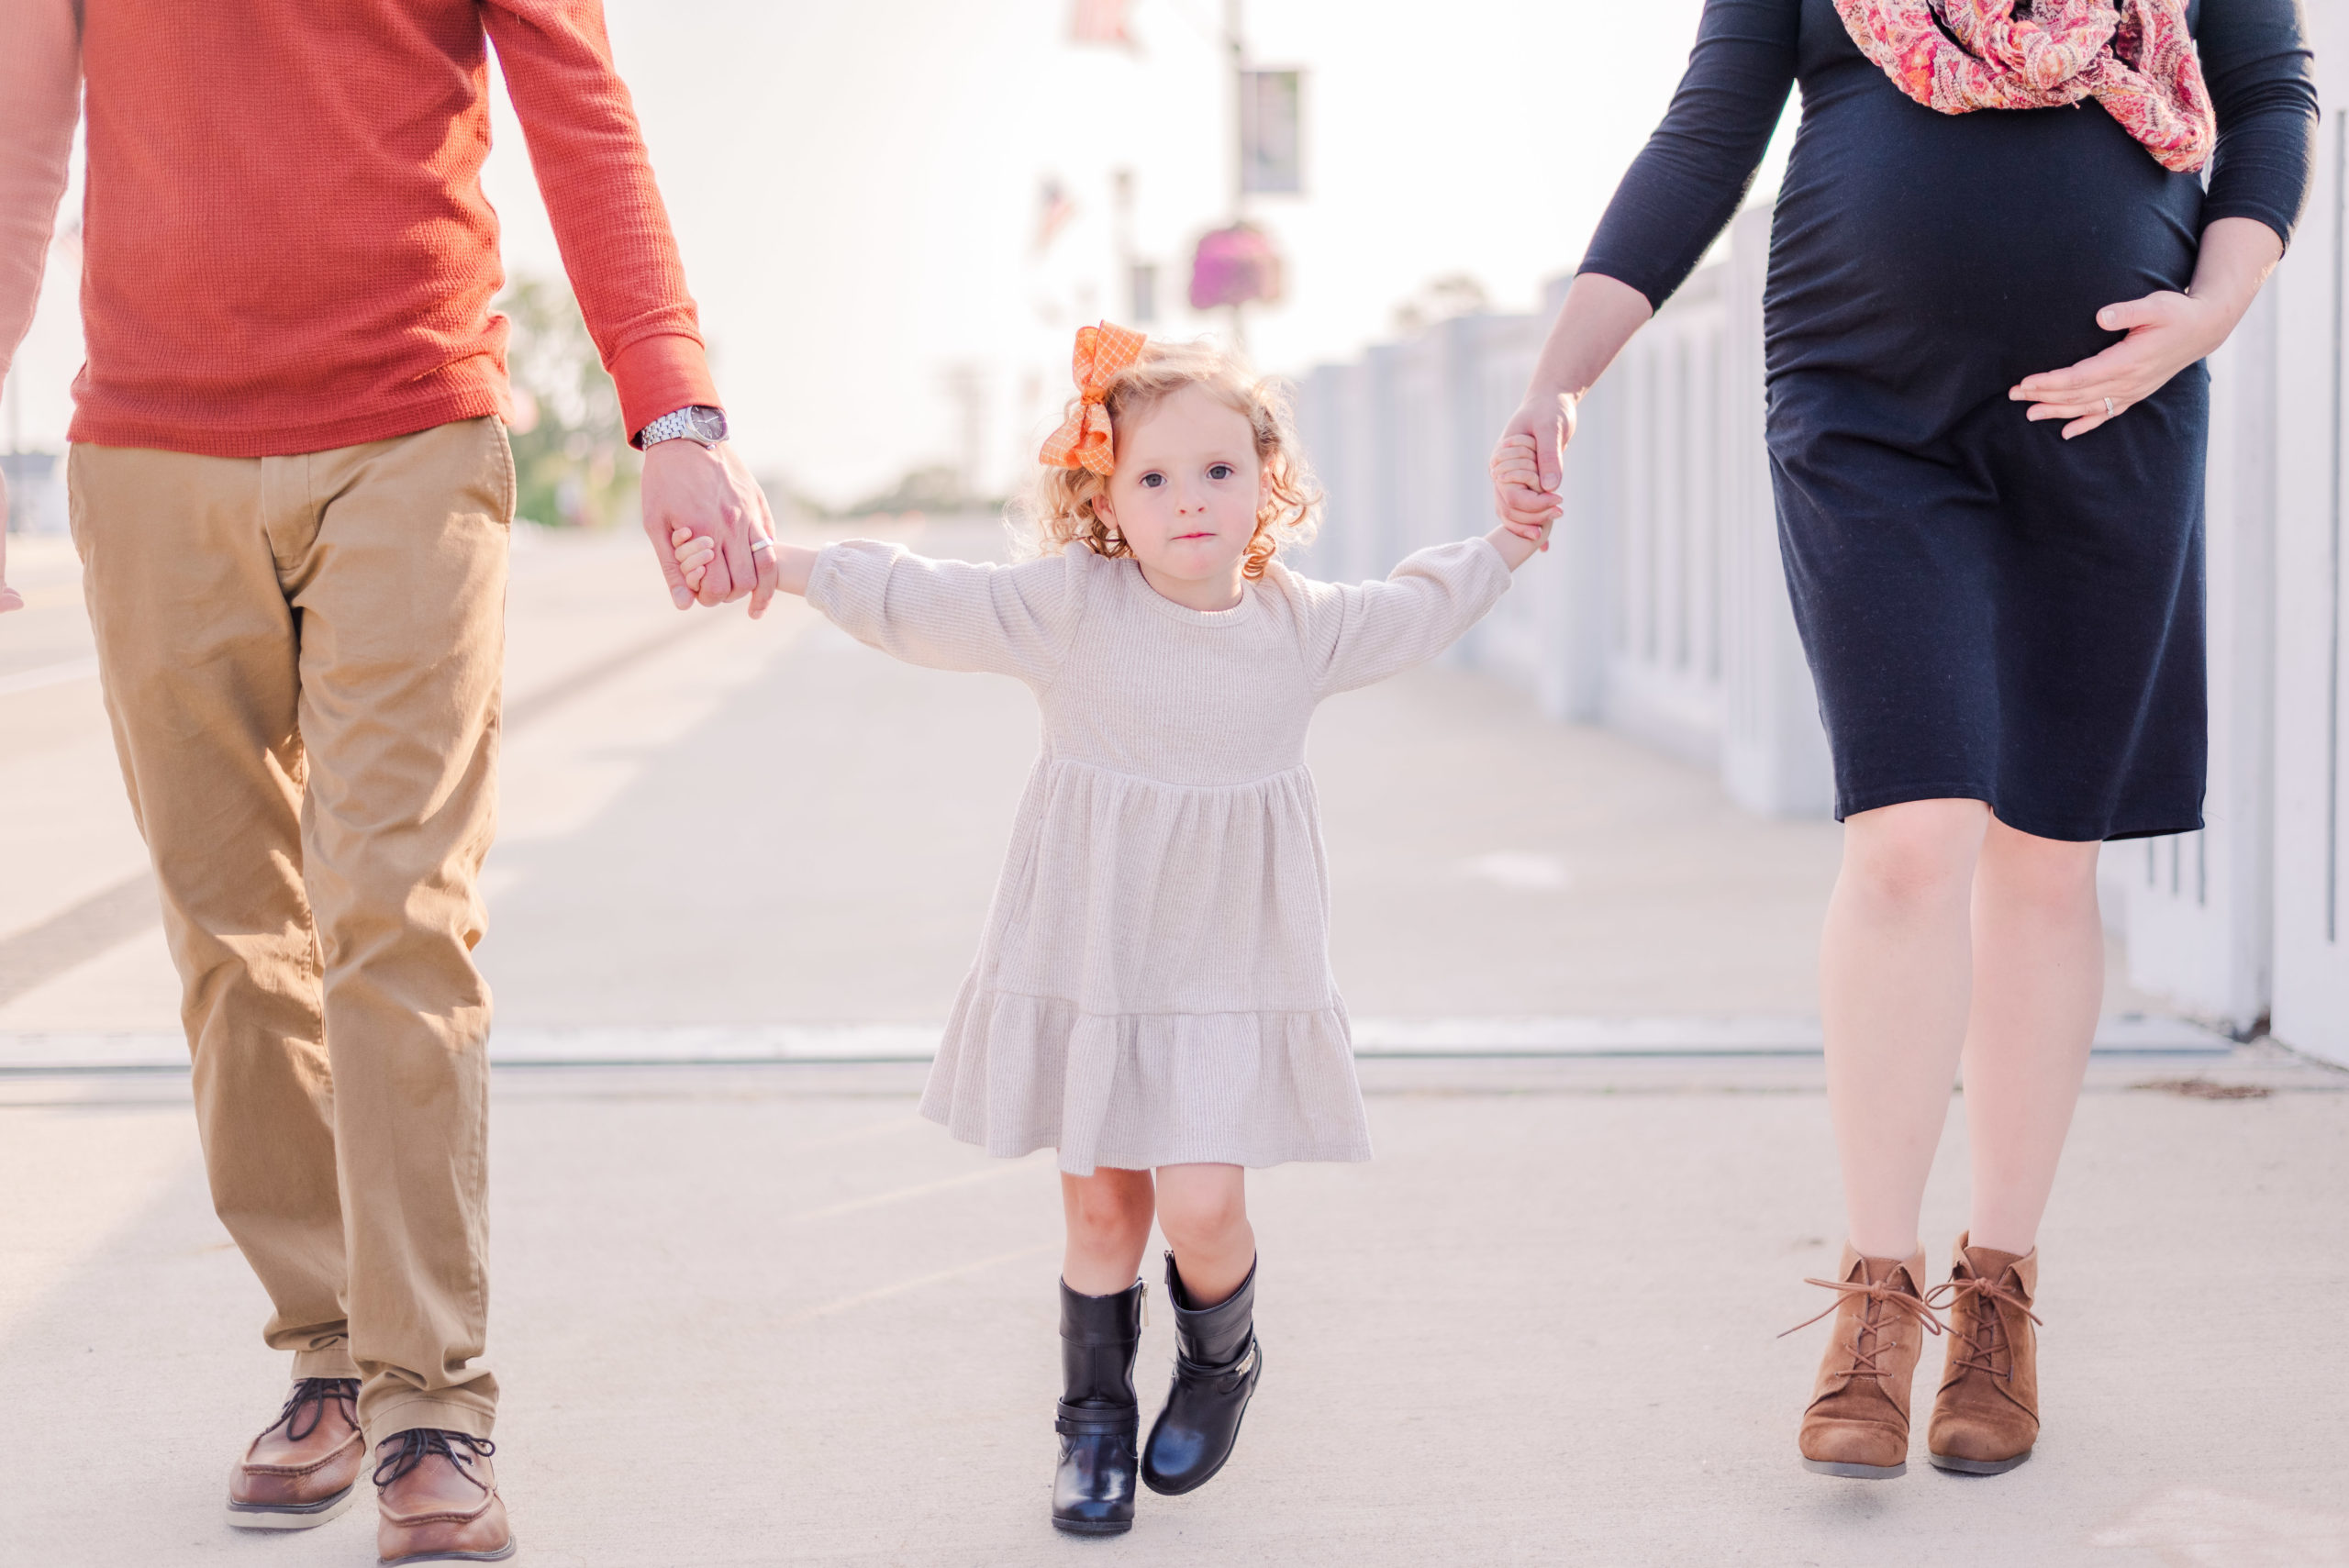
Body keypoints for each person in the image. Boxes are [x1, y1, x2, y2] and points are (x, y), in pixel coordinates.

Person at [1493, 0, 2315, 1481]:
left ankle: (1997, 1289)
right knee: (1911, 838)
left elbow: (2269, 98)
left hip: (2112, 406)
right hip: (1859, 397)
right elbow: (1710, 124)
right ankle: (1876, 1295)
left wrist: (2211, 311)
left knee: (2049, 859)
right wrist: (1560, 372)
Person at [0, 1, 780, 1559]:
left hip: (411, 428)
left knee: (393, 907)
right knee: (229, 934)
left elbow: (581, 106)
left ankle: (437, 1400)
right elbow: (20, 147)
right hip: (153, 453)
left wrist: (673, 403)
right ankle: (328, 1356)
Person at [674, 323, 1553, 1534]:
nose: (1189, 501)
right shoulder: (1071, 609)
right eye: (1152, 478)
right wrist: (780, 564)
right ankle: (1090, 1423)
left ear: (1267, 480)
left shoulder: (1302, 627)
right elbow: (926, 600)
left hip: (1225, 968)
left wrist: (1509, 540)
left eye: (1217, 472)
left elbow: (1419, 603)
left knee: (1199, 1204)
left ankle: (1220, 1357)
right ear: (1104, 502)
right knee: (1100, 1207)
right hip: (1094, 954)